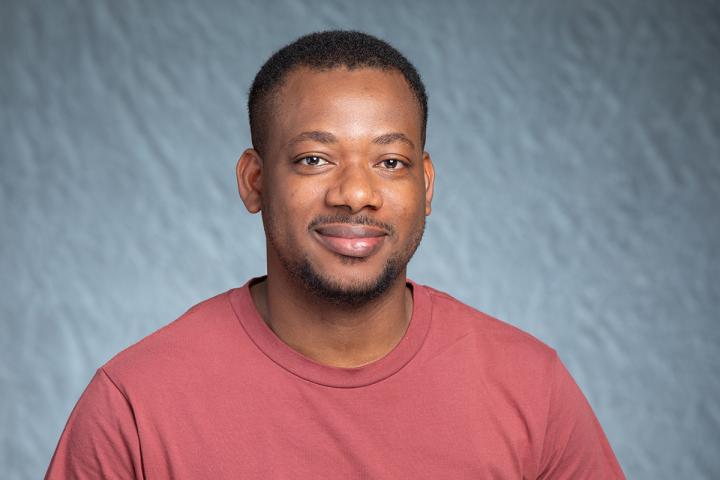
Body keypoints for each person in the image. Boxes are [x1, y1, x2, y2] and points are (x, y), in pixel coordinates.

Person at [46, 30, 625, 479]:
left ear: (425, 187)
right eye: (314, 159)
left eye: (390, 162)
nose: (355, 193)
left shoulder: (530, 386)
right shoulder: (136, 404)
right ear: (253, 181)